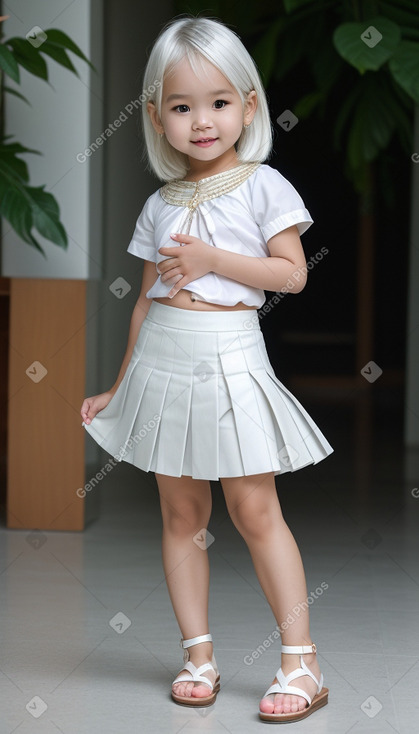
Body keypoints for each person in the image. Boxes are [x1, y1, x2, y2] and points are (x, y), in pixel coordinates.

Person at [80, 15, 333, 723]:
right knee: (181, 512)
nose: (201, 121)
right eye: (181, 106)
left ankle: (300, 662)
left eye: (218, 102)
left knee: (254, 509)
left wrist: (215, 261)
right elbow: (144, 304)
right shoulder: (159, 203)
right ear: (156, 117)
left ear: (248, 107)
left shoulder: (263, 186)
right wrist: (118, 385)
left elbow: (291, 275)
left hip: (228, 359)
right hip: (163, 357)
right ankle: (197, 652)